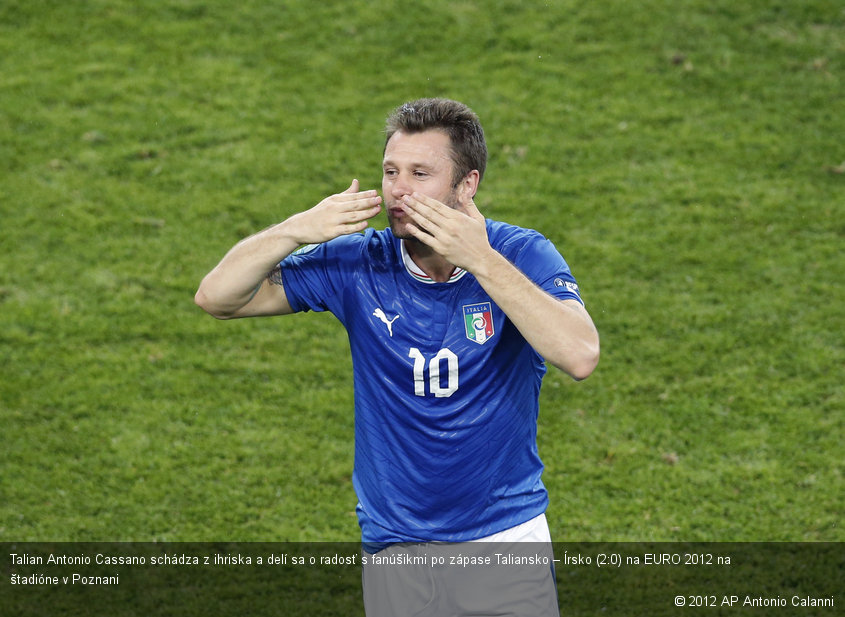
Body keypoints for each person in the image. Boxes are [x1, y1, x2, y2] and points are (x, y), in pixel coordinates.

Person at [195, 98, 600, 616]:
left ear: (467, 184)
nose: (399, 189)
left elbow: (580, 354)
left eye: (420, 173)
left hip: (504, 542)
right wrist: (294, 230)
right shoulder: (360, 262)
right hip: (395, 548)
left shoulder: (520, 254)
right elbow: (217, 298)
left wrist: (480, 259)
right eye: (391, 171)